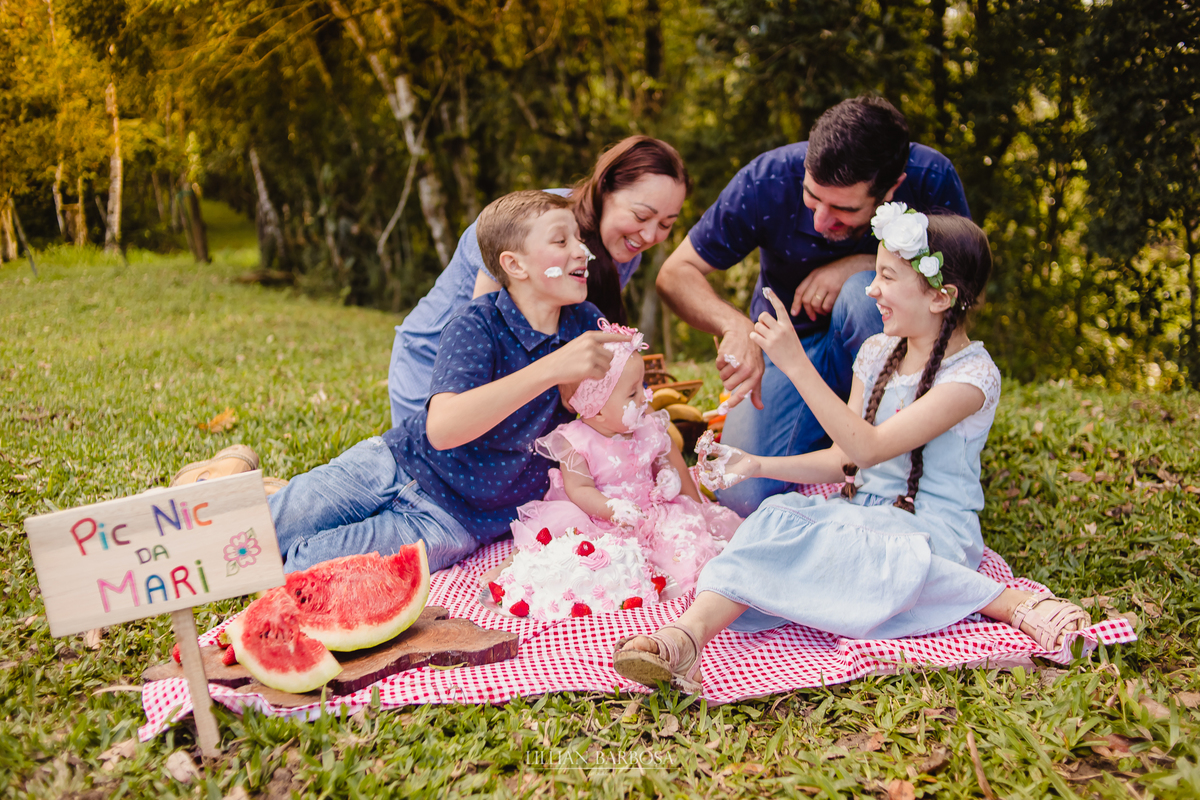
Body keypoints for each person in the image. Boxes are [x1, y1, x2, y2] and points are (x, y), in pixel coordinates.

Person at [613, 208, 1090, 693]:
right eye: (875, 274)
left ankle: (1002, 600)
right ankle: (685, 639)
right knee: (772, 519)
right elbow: (844, 457)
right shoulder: (877, 352)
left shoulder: (971, 376)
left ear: (940, 297)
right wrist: (756, 464)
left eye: (887, 277)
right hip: (860, 513)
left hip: (930, 531)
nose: (871, 289)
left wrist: (796, 364)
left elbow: (869, 449)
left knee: (842, 548)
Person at [179, 191, 631, 573]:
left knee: (296, 569)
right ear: (514, 264)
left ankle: (260, 488)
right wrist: (553, 368)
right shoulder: (477, 324)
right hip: (393, 464)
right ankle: (209, 501)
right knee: (231, 540)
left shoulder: (587, 324)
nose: (583, 251)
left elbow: (620, 409)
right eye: (561, 240)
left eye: (579, 238)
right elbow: (444, 427)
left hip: (451, 522)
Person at [656, 96, 970, 517]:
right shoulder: (767, 179)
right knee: (743, 493)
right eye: (811, 196)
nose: (821, 221)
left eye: (843, 209)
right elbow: (675, 273)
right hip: (790, 349)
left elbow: (957, 293)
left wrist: (863, 265)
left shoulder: (932, 178)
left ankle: (898, 453)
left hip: (882, 346)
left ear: (892, 188)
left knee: (862, 295)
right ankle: (830, 437)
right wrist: (733, 324)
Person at [388, 136, 691, 426]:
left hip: (528, 386)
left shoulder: (625, 251)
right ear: (604, 189)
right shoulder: (529, 223)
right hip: (439, 375)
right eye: (641, 216)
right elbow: (489, 348)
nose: (649, 235)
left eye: (666, 224)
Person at [509, 321, 742, 596]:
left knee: (688, 547)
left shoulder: (646, 427)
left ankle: (702, 583)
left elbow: (659, 460)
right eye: (633, 393)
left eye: (642, 386)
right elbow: (579, 489)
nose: (646, 397)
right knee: (584, 563)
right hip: (602, 522)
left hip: (651, 514)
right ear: (597, 410)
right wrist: (612, 508)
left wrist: (667, 474)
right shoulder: (576, 442)